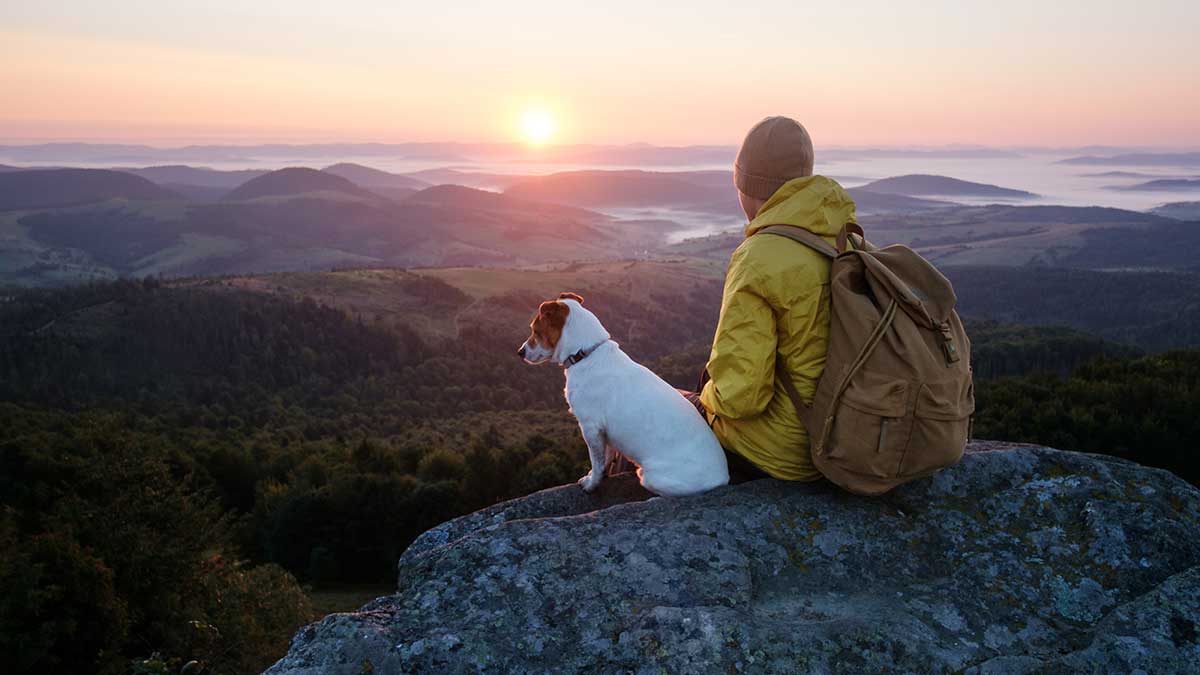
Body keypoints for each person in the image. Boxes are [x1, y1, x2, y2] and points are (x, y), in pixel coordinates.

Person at [682, 116, 856, 483]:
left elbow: (742, 396)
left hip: (784, 453)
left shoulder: (758, 258)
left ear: (745, 186)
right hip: (846, 434)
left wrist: (700, 399)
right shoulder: (844, 237)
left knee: (652, 411)